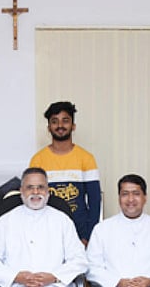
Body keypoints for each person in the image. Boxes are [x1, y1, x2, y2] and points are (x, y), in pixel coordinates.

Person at [0, 168, 88, 287]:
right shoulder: (5, 222)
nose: (36, 192)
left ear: (48, 191)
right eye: (30, 188)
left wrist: (53, 277)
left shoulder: (62, 221)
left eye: (40, 187)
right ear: (21, 191)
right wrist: (17, 277)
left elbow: (79, 260)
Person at [29, 101, 101, 244]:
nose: (60, 126)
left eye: (65, 121)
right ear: (49, 128)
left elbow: (95, 202)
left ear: (73, 126)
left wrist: (88, 236)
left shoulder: (87, 158)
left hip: (80, 233)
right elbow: (32, 201)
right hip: (47, 233)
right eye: (54, 122)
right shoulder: (38, 160)